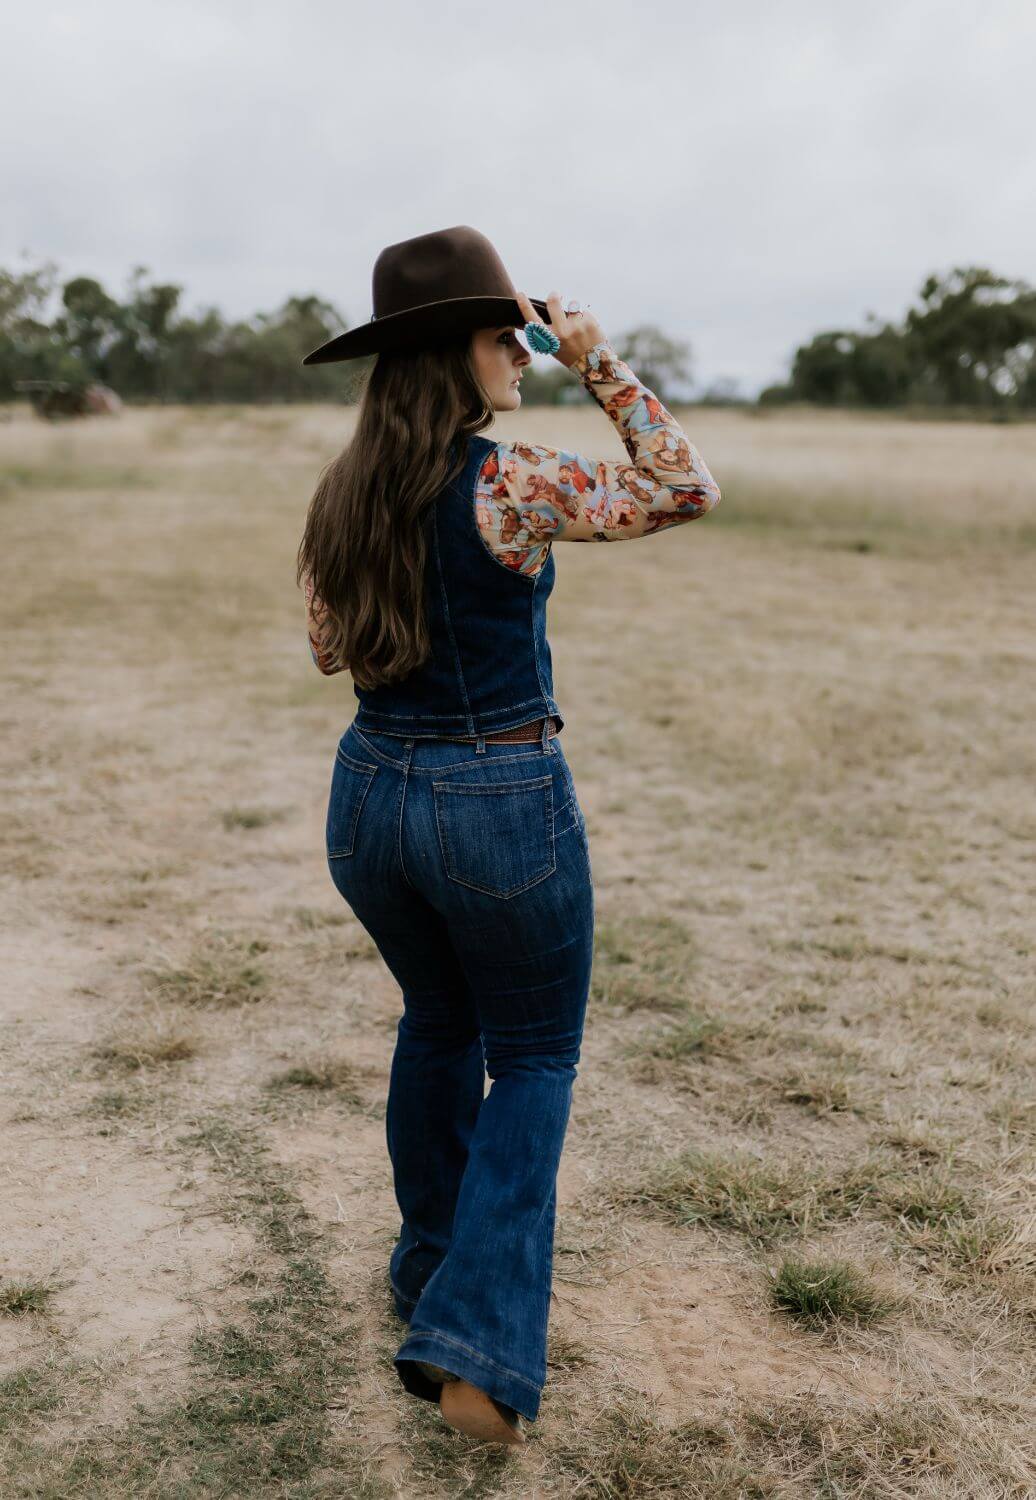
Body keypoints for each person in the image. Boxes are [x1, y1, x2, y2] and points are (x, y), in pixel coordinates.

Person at [296, 226, 721, 1445]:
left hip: (368, 797)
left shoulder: (338, 494)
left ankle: (431, 1271)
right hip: (496, 797)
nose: (525, 354)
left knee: (438, 1022)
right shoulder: (511, 481)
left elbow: (326, 650)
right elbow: (683, 488)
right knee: (532, 1057)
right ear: (453, 355)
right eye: (509, 337)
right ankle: (474, 1349)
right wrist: (600, 364)